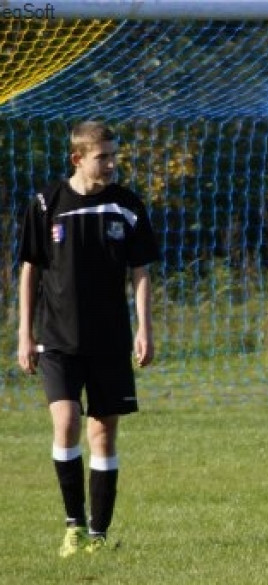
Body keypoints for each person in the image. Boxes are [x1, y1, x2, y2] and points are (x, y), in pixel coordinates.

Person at [17, 120, 158, 557]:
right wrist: (24, 332)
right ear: (78, 158)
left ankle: (98, 535)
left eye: (115, 156)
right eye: (104, 157)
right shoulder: (46, 203)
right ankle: (73, 525)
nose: (112, 164)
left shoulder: (128, 206)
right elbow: (30, 269)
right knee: (66, 423)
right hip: (57, 339)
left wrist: (144, 328)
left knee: (103, 433)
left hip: (111, 340)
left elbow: (141, 272)